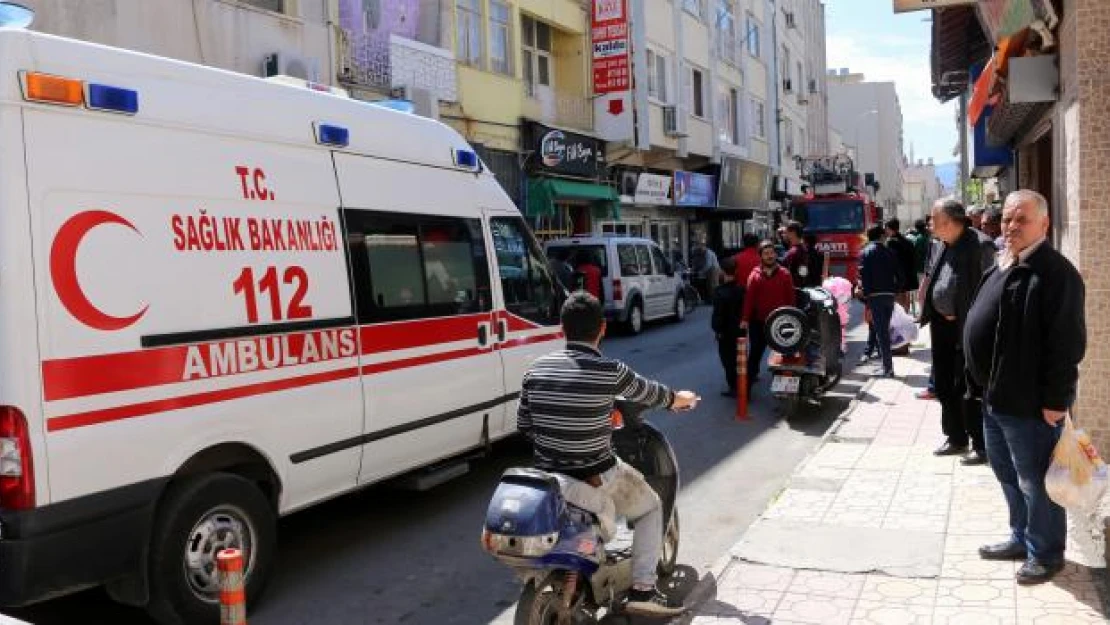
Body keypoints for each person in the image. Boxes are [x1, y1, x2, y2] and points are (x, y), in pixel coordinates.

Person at [516, 292, 698, 616]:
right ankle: (643, 588)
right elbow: (652, 393)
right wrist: (679, 399)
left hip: (549, 477)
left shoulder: (535, 369)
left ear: (562, 329)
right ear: (602, 329)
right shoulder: (609, 370)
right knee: (650, 507)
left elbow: (525, 426)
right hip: (595, 476)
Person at [963, 190, 1086, 585]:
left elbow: (1067, 343)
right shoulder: (1004, 264)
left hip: (1031, 405)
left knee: (1037, 481)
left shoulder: (1055, 273)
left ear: (1044, 225)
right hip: (995, 398)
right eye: (1007, 219)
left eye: (1022, 220)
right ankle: (1022, 537)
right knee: (1008, 475)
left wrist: (1056, 401)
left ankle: (1047, 553)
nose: (1011, 226)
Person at [921, 198, 997, 465]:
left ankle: (981, 444)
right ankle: (955, 437)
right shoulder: (943, 244)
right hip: (943, 326)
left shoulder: (980, 245)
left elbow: (989, 290)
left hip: (966, 327)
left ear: (950, 222)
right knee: (943, 384)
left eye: (935, 221)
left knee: (968, 387)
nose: (931, 226)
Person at [740, 241, 796, 392]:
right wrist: (745, 319)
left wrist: (792, 318)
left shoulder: (785, 274)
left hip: (781, 322)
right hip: (758, 323)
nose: (770, 256)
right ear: (761, 256)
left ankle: (786, 393)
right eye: (766, 253)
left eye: (772, 253)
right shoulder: (755, 275)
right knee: (754, 356)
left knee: (786, 357)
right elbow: (749, 300)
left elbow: (791, 299)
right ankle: (746, 392)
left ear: (775, 254)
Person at [857, 226, 901, 377]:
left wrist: (867, 298)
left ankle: (888, 368)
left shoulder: (865, 253)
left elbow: (864, 276)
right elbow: (900, 276)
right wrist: (894, 290)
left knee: (881, 332)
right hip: (889, 295)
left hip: (875, 296)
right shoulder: (891, 252)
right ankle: (886, 365)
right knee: (883, 330)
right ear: (882, 236)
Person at [712, 257, 745, 397]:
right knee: (740, 359)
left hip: (725, 332)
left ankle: (734, 387)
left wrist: (717, 329)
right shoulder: (742, 290)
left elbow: (718, 315)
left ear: (722, 272)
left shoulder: (720, 292)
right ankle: (742, 385)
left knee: (728, 360)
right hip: (740, 330)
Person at [884, 218, 919, 314]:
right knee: (905, 296)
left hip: (896, 276)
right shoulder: (907, 241)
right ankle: (905, 317)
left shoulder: (890, 242)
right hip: (908, 275)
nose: (885, 231)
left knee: (897, 300)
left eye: (886, 228)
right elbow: (914, 259)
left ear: (890, 228)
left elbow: (889, 261)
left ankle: (900, 320)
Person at [781, 221, 810, 287]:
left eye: (785, 232)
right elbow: (803, 273)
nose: (783, 235)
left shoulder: (793, 252)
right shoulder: (803, 249)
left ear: (793, 233)